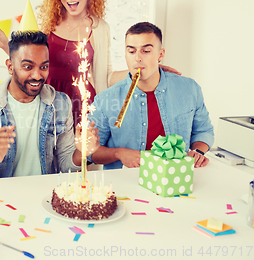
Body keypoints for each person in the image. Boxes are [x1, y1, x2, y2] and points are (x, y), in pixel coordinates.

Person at [0, 0, 178, 127]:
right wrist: (5, 44)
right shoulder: (43, 20)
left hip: (81, 104)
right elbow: (26, 61)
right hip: (44, 97)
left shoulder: (100, 28)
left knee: (80, 161)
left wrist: (143, 70)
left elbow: (105, 76)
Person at [0, 31, 99, 180]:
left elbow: (66, 165)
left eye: (44, 67)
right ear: (10, 67)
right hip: (0, 198)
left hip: (44, 195)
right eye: (28, 67)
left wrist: (82, 153)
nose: (37, 76)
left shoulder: (60, 103)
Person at [87, 22, 213, 169]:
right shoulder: (105, 100)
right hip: (126, 184)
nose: (138, 58)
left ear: (160, 55)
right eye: (131, 51)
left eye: (146, 51)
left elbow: (203, 131)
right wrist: (119, 153)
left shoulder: (190, 89)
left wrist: (198, 151)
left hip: (175, 180)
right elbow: (90, 152)